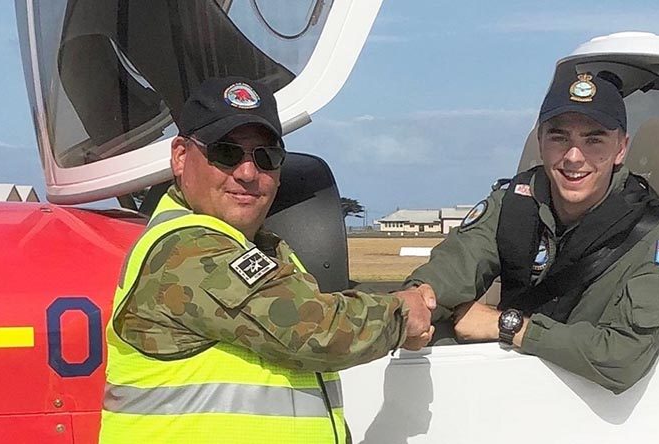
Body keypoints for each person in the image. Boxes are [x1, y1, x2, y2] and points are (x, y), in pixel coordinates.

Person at [99, 77, 435, 444]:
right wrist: (403, 313)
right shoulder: (186, 250)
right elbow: (311, 328)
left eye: (266, 156)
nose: (247, 173)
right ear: (180, 156)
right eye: (225, 153)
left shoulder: (256, 249)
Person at [402, 71, 659, 394]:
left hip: (581, 404)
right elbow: (454, 267)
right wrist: (415, 300)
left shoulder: (653, 238)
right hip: (510, 388)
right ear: (540, 142)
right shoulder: (515, 204)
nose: (574, 157)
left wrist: (508, 325)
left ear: (621, 149)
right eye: (559, 137)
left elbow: (623, 358)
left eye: (594, 140)